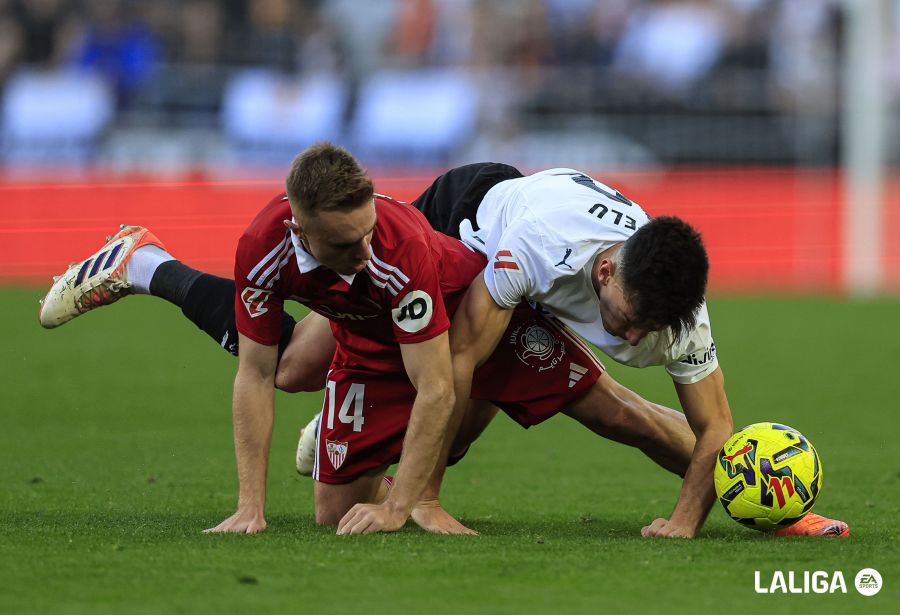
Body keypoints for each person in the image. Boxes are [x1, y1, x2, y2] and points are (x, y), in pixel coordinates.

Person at [40, 153, 849, 538]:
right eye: (622, 316)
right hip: (461, 222)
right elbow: (456, 366)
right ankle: (144, 262)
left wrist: (707, 515)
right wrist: (413, 498)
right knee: (297, 366)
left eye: (643, 330)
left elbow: (717, 425)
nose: (627, 335)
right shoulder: (530, 248)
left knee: (615, 411)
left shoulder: (677, 306)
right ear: (605, 268)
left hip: (510, 270)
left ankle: (778, 511)